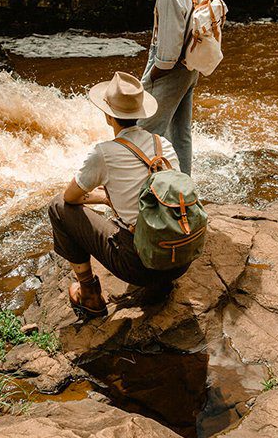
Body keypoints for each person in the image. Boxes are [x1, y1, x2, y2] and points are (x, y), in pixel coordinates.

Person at [48, 71, 191, 318]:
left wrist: (101, 197)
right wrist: (107, 198)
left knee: (57, 207)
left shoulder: (104, 153)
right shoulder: (163, 145)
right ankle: (163, 281)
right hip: (180, 259)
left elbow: (69, 198)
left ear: (107, 114)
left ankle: (89, 295)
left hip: (139, 267)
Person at [131, 0, 208, 176]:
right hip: (191, 66)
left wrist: (150, 78)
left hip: (170, 70)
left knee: (142, 133)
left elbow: (166, 54)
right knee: (180, 133)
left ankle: (140, 196)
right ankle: (183, 188)